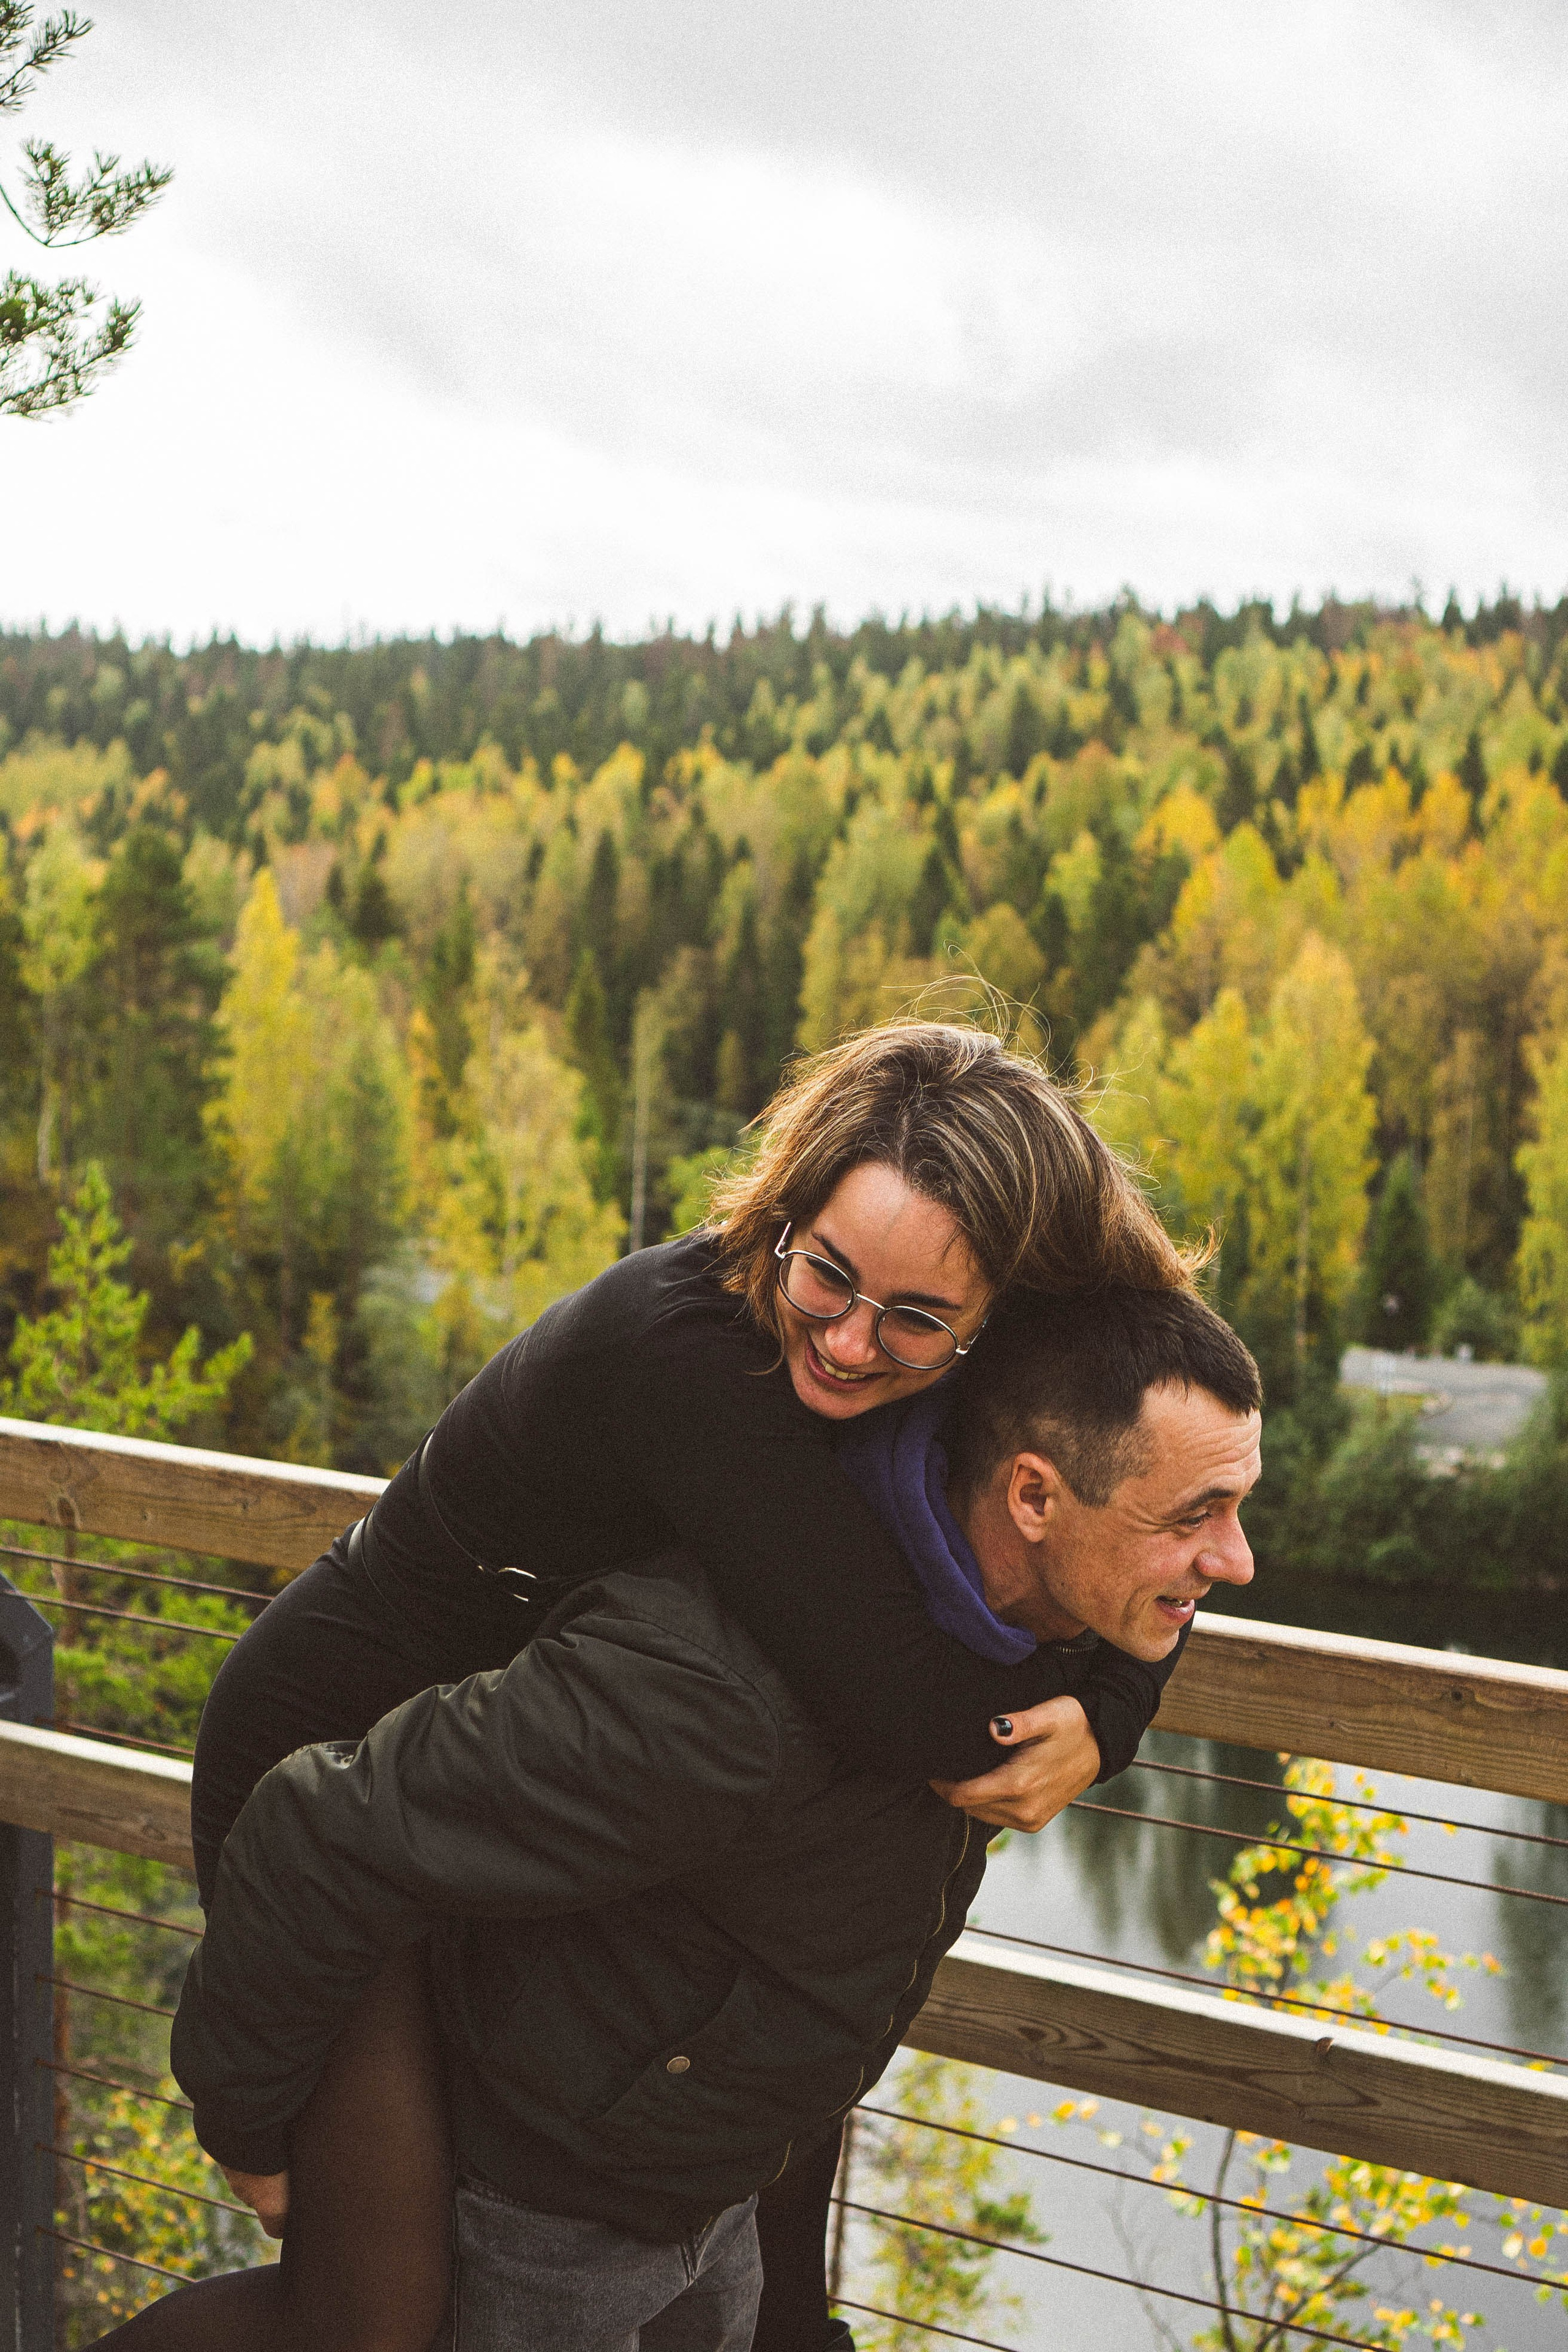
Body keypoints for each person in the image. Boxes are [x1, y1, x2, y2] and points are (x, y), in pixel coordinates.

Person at [94, 1022, 1200, 2352]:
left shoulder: (947, 1349)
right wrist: (248, 2106)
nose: (850, 1346)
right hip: (339, 1769)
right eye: (826, 1279)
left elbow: (1179, 1472)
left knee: (750, 2231)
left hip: (524, 1773)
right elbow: (905, 1712)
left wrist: (1123, 1694)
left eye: (914, 1319)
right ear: (783, 1213)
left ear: (1003, 1306)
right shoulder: (685, 1358)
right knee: (366, 2317)